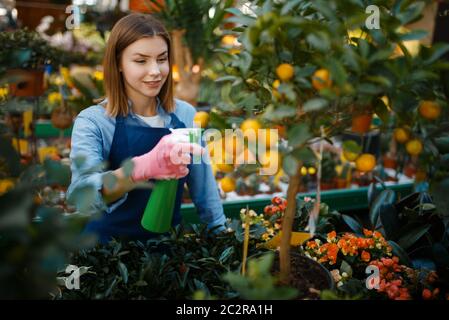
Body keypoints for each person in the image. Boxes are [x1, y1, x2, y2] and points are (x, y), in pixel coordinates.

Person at [67, 13, 226, 244]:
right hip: (106, 256)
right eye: (141, 61)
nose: (155, 71)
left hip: (167, 254)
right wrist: (141, 168)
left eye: (162, 59)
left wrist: (222, 239)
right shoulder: (94, 121)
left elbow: (205, 192)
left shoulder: (184, 114)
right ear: (118, 63)